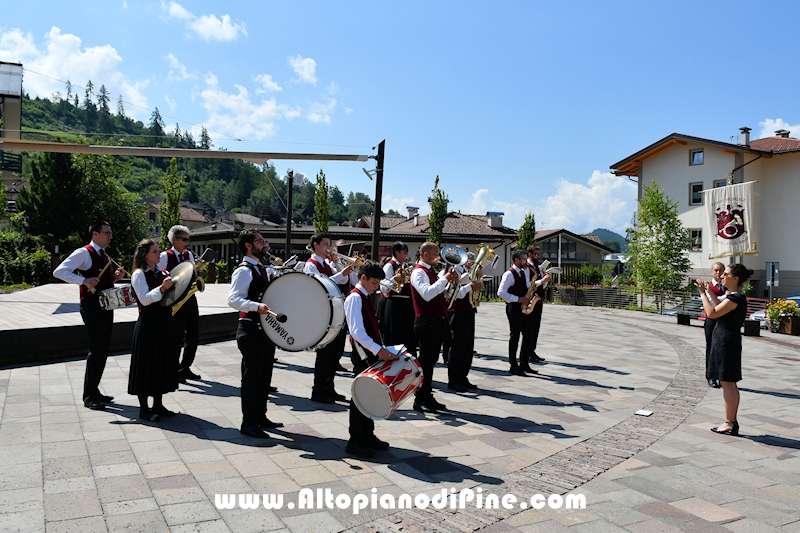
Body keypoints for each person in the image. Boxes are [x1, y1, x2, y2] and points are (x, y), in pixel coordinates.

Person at [53, 221, 125, 411]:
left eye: (110, 233)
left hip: (106, 306)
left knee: (103, 349)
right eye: (107, 233)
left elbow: (101, 280)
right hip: (92, 307)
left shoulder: (103, 254)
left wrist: (115, 277)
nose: (110, 236)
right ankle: (88, 396)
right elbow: (59, 271)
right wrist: (82, 280)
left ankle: (94, 391)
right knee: (97, 349)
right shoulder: (84, 252)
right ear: (95, 234)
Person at [227, 230, 282, 439]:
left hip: (265, 330)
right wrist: (255, 306)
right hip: (250, 329)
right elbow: (233, 299)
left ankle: (260, 416)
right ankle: (248, 423)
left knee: (264, 376)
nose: (264, 244)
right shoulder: (243, 270)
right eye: (260, 241)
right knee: (252, 379)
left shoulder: (263, 267)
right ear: (249, 245)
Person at [344, 260, 398, 458]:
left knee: (369, 397)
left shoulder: (365, 296)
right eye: (374, 282)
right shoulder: (354, 298)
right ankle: (355, 440)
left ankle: (367, 435)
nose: (377, 287)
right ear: (363, 278)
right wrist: (378, 350)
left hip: (371, 353)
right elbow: (357, 332)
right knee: (360, 398)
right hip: (363, 355)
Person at [697, 263, 752, 437]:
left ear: (735, 279)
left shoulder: (734, 298)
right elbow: (718, 304)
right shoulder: (734, 297)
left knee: (727, 382)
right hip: (728, 340)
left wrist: (702, 293)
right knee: (729, 382)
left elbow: (712, 312)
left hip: (726, 342)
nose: (722, 276)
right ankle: (730, 421)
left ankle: (730, 422)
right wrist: (710, 292)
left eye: (726, 274)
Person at [128, 239, 180, 422]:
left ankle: (158, 404)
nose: (159, 254)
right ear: (144, 255)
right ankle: (144, 409)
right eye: (155, 252)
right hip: (148, 324)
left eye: (158, 251)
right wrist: (163, 287)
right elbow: (144, 299)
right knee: (146, 365)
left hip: (164, 322)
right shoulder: (138, 274)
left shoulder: (162, 272)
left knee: (162, 363)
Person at [304, 233, 353, 403]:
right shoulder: (311, 265)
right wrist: (341, 273)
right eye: (325, 244)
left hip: (335, 313)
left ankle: (329, 387)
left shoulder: (326, 263)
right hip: (323, 313)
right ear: (316, 245)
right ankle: (318, 390)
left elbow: (343, 279)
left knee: (335, 352)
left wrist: (339, 265)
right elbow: (322, 284)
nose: (328, 248)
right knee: (325, 354)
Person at [410, 242, 458, 412]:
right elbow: (427, 294)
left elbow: (437, 293)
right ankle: (420, 398)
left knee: (431, 362)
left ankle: (427, 395)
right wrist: (444, 279)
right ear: (425, 255)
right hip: (426, 321)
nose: (439, 257)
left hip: (436, 320)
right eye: (436, 254)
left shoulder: (430, 272)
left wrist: (449, 285)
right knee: (425, 362)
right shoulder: (418, 272)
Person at [158, 225, 201, 383]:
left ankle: (185, 367)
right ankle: (173, 369)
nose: (187, 242)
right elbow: (159, 274)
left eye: (188, 239)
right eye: (184, 239)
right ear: (174, 239)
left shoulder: (188, 254)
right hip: (174, 300)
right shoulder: (164, 256)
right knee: (176, 336)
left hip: (189, 297)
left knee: (194, 334)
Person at [498, 249, 537, 375]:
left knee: (528, 335)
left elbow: (525, 284)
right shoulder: (509, 274)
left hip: (523, 307)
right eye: (524, 259)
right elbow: (501, 292)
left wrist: (533, 285)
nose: (526, 261)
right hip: (514, 308)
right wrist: (517, 299)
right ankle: (513, 365)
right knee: (515, 336)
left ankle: (524, 363)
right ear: (517, 260)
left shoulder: (523, 271)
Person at [447, 254, 482, 392]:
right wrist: (470, 287)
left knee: (467, 347)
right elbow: (454, 294)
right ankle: (454, 380)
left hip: (469, 311)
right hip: (457, 312)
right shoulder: (453, 272)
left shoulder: (467, 272)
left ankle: (463, 376)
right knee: (457, 347)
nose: (469, 262)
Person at [378, 242, 417, 357]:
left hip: (407, 304)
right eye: (404, 252)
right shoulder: (389, 266)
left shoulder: (405, 266)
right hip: (395, 304)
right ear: (397, 252)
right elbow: (383, 287)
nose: (406, 254)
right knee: (395, 335)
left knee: (407, 336)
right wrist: (395, 278)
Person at [525, 245, 551, 364]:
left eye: (539, 254)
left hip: (538, 299)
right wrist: (542, 281)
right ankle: (527, 352)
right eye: (536, 254)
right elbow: (529, 284)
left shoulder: (537, 267)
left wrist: (545, 280)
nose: (538, 256)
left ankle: (532, 350)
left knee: (536, 326)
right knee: (530, 327)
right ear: (529, 254)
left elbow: (542, 285)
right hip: (530, 299)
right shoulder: (527, 266)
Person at [704, 262, 727, 389]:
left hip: (723, 321)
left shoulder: (726, 286)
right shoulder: (709, 286)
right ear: (712, 272)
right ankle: (711, 376)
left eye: (721, 271)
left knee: (721, 349)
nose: (719, 273)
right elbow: (712, 303)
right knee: (711, 348)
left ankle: (720, 375)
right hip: (711, 321)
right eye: (716, 271)